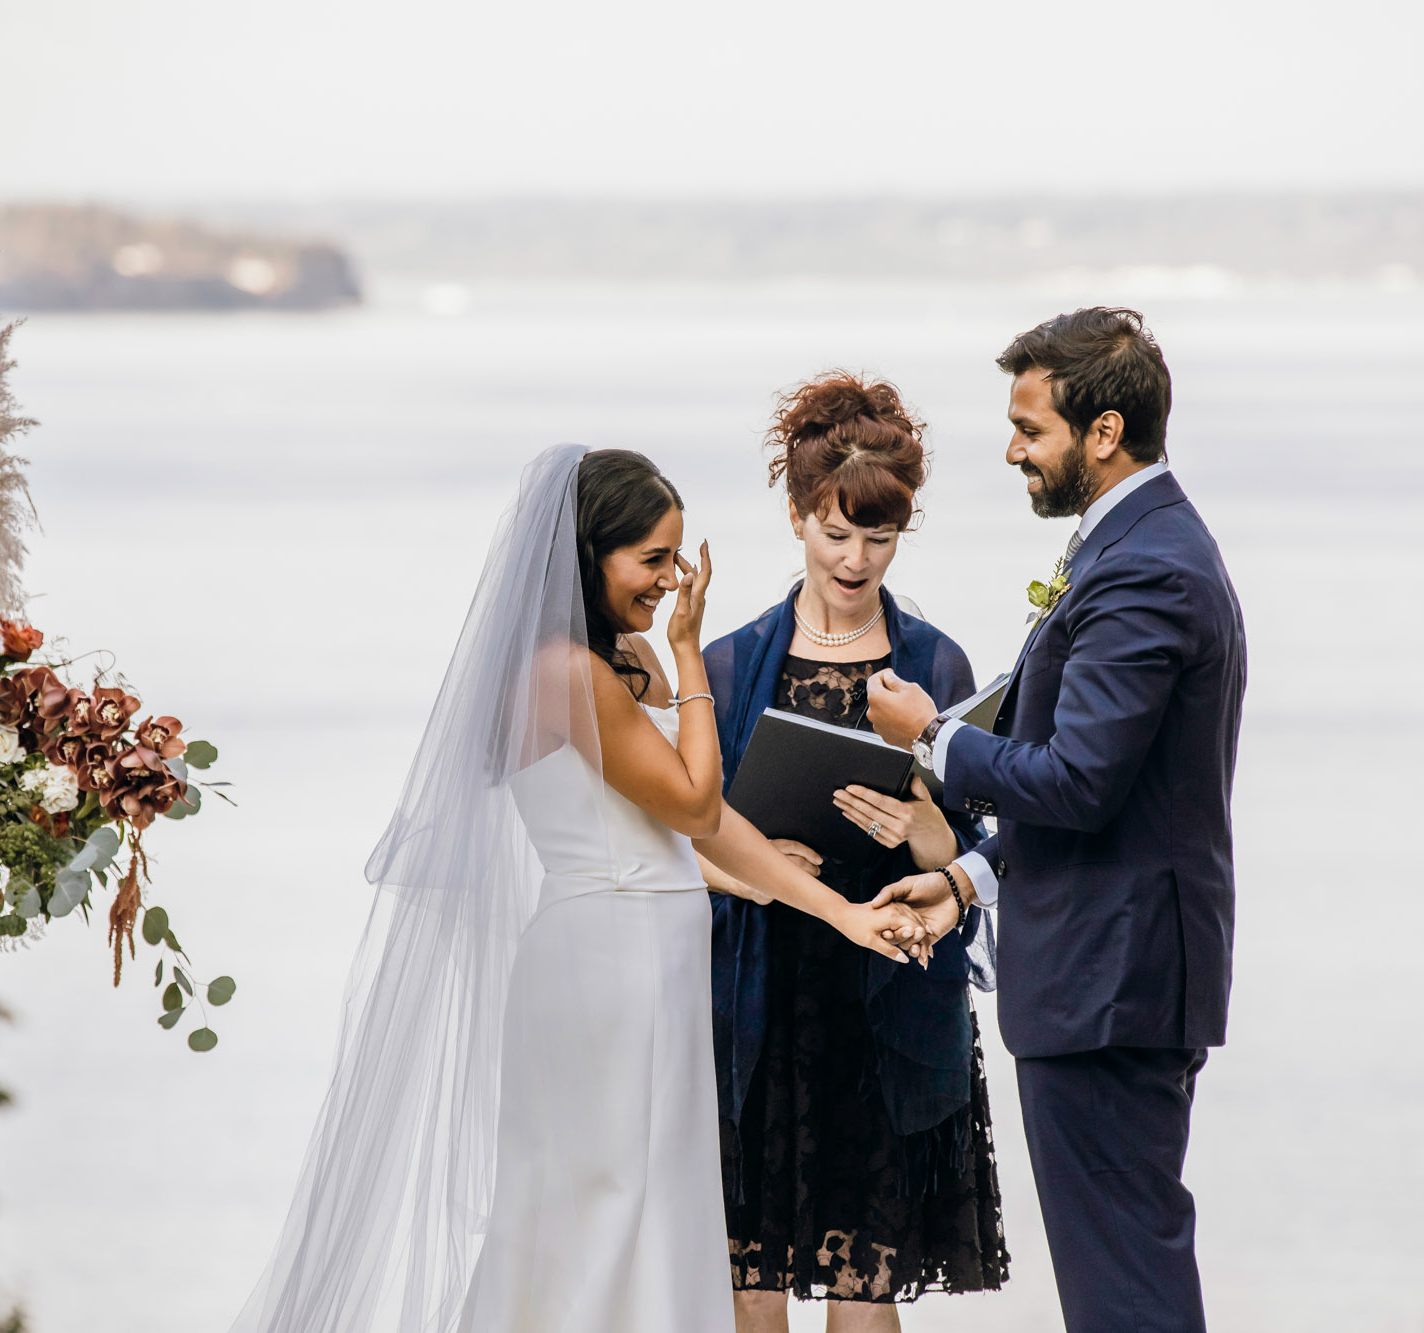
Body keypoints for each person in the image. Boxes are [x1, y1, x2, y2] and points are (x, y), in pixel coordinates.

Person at [231, 445, 928, 1333]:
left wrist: (844, 914)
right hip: (611, 963)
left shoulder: (609, 658)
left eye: (675, 558)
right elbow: (695, 802)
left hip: (646, 958)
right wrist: (690, 663)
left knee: (645, 1201)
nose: (672, 580)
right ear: (589, 554)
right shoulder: (567, 671)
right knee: (604, 1204)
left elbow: (702, 836)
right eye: (652, 560)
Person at [866, 309, 1246, 1333]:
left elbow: (1078, 780)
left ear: (1104, 432)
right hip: (1107, 973)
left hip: (1109, 984)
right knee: (1113, 1270)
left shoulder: (1146, 568)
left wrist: (932, 736)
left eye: (1028, 428)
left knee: (1121, 1281)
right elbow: (1115, 797)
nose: (1011, 449)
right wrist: (967, 882)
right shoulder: (1133, 548)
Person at [700, 373, 1009, 1333]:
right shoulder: (727, 663)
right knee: (747, 1288)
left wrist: (922, 827)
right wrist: (765, 863)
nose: (856, 558)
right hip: (760, 1000)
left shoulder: (938, 665)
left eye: (879, 537)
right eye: (837, 533)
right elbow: (684, 841)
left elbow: (975, 847)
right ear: (796, 516)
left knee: (864, 1291)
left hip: (886, 1000)